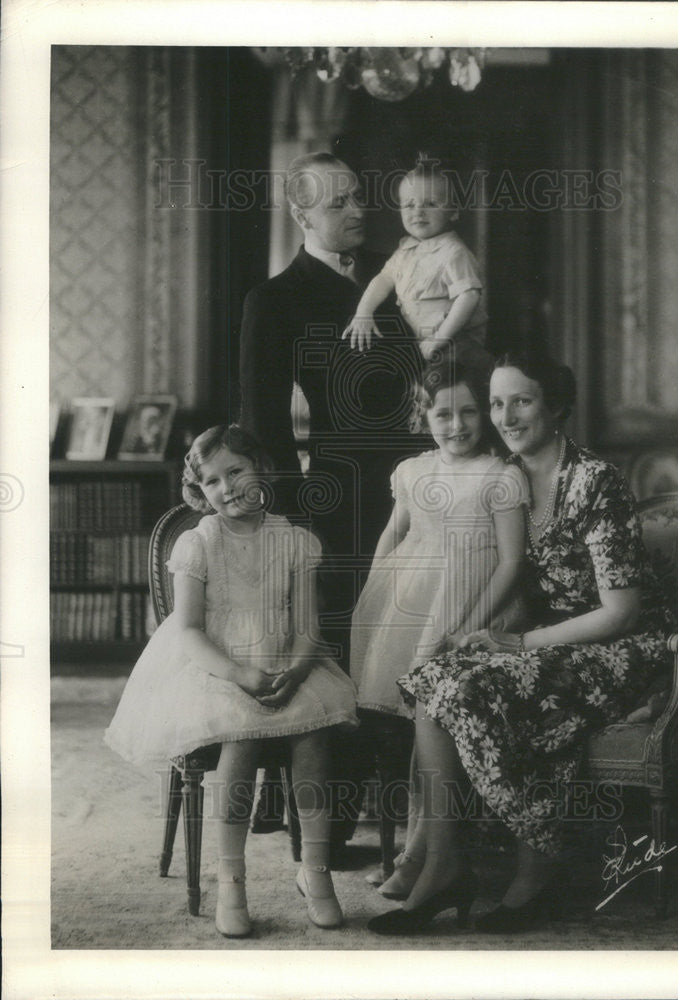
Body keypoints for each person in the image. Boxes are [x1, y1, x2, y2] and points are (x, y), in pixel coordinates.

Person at [367, 350, 676, 936]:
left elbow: (620, 612)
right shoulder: (498, 472)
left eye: (523, 400)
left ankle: (538, 867)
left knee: (465, 684)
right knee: (431, 677)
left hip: (622, 646)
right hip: (548, 642)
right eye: (498, 402)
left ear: (556, 407)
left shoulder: (594, 481)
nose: (506, 415)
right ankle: (444, 863)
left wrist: (518, 643)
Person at [104, 425, 358, 937]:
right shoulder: (199, 544)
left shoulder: (294, 540)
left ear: (260, 469)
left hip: (286, 661)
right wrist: (238, 673)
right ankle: (232, 880)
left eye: (235, 471)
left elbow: (309, 627)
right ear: (201, 489)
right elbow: (189, 632)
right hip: (216, 667)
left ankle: (315, 870)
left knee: (313, 738)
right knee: (240, 737)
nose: (226, 488)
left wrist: (299, 668)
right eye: (212, 480)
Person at [238, 151, 420, 857]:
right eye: (338, 202)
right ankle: (325, 825)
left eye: (356, 198)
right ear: (301, 214)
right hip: (333, 500)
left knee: (409, 637)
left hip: (410, 481)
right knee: (336, 649)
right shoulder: (276, 298)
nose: (356, 210)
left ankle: (416, 809)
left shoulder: (397, 274)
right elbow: (262, 424)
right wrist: (287, 518)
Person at [350, 361, 528, 719]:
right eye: (444, 415)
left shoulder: (500, 476)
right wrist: (374, 588)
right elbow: (395, 530)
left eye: (469, 412)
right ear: (423, 416)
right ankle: (402, 769)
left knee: (447, 701)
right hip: (412, 596)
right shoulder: (412, 471)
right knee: (397, 697)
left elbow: (512, 560)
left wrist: (468, 627)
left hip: (477, 599)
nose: (458, 425)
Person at [343, 160, 493, 378]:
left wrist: (439, 339)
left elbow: (468, 296)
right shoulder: (406, 250)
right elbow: (384, 279)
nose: (418, 212)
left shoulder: (454, 252)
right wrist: (364, 312)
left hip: (455, 342)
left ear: (453, 211)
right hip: (423, 343)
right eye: (409, 205)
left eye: (431, 204)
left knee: (457, 389)